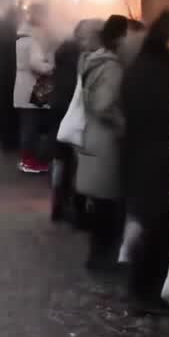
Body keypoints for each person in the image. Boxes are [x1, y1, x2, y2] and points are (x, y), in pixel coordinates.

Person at [118, 9, 169, 315]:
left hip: (149, 157)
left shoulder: (152, 65)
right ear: (167, 40)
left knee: (154, 226)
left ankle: (146, 288)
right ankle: (145, 292)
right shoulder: (154, 72)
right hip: (154, 160)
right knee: (155, 227)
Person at [77, 15, 128, 272]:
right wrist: (122, 124)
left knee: (98, 201)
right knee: (107, 202)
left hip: (90, 135)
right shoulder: (111, 67)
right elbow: (103, 104)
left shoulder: (88, 61)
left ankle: (97, 254)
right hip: (106, 141)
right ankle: (102, 257)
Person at [49, 19, 95, 225]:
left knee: (60, 159)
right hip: (73, 111)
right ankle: (77, 209)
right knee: (76, 162)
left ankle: (57, 201)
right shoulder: (82, 56)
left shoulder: (61, 50)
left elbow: (54, 79)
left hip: (58, 109)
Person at [13, 3, 54, 174]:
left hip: (25, 85)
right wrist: (51, 66)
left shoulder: (22, 37)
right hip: (34, 86)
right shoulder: (33, 41)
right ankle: (29, 161)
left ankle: (27, 159)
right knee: (31, 126)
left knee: (28, 124)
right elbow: (36, 64)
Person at [0, 8, 21, 152]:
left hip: (0, 76)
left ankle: (5, 140)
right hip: (11, 76)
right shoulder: (14, 34)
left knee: (3, 108)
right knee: (11, 110)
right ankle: (11, 141)